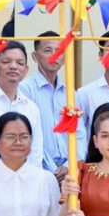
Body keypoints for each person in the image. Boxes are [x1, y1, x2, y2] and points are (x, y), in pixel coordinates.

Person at [20, 33, 70, 177]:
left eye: (59, 51)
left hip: (71, 170)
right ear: (35, 56)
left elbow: (79, 133)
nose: (54, 55)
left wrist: (69, 165)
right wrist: (52, 169)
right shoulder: (25, 90)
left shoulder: (70, 93)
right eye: (48, 50)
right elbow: (28, 133)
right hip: (40, 169)